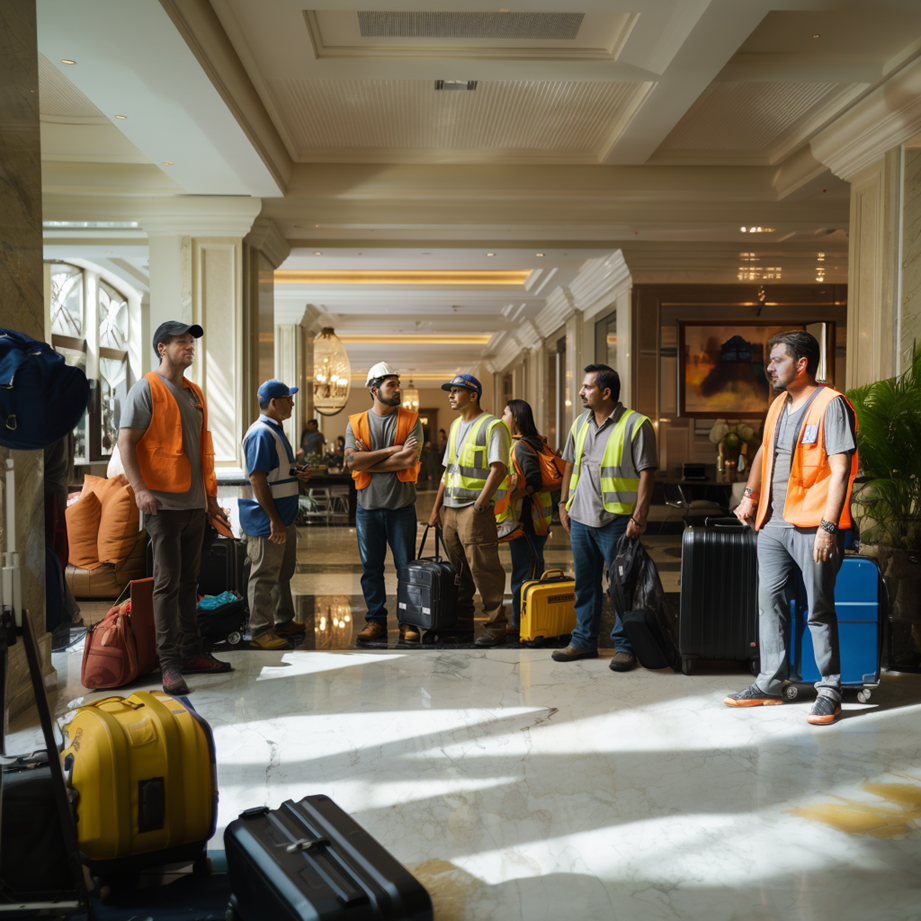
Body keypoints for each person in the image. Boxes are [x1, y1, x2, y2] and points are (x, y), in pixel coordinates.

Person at [725, 331, 858, 725]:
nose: (769, 367)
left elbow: (840, 470)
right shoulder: (779, 404)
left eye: (777, 360)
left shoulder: (830, 405)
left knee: (818, 607)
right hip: (772, 522)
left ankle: (830, 690)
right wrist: (750, 495)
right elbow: (766, 450)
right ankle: (769, 683)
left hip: (813, 524)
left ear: (801, 364)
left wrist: (829, 527)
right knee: (770, 603)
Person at [118, 321, 233, 696]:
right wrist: (139, 491)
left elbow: (202, 453)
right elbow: (126, 443)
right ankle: (169, 664)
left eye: (191, 341)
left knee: (189, 584)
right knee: (166, 586)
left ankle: (191, 652)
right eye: (181, 341)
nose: (190, 346)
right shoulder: (146, 389)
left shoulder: (194, 393)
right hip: (161, 506)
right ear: (161, 348)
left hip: (194, 505)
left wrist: (211, 501)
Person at [555, 364, 657, 667]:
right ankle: (583, 641)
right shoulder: (580, 423)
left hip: (617, 522)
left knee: (621, 585)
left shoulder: (636, 424)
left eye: (587, 387)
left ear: (606, 392)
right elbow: (570, 465)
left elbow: (647, 473)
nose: (582, 392)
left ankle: (625, 646)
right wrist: (563, 504)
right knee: (584, 584)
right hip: (581, 519)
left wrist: (639, 516)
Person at [428, 374, 512, 646]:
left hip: (474, 511)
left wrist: (480, 505)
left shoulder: (493, 426)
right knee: (459, 570)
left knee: (483, 568)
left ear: (473, 395)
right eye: (449, 391)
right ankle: (463, 619)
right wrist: (436, 508)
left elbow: (498, 469)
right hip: (450, 510)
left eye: (456, 391)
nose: (451, 395)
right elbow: (447, 471)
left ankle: (496, 625)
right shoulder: (454, 426)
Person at [346, 362, 423, 644]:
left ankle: (408, 622)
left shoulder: (411, 419)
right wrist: (392, 449)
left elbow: (409, 459)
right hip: (367, 508)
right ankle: (375, 621)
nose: (398, 389)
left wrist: (370, 460)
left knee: (407, 569)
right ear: (374, 390)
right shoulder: (356, 422)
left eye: (397, 384)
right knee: (371, 569)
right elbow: (351, 461)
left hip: (401, 507)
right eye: (391, 385)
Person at [240, 379, 311, 650]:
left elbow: (275, 472)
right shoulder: (261, 433)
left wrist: (298, 471)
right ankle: (259, 630)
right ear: (274, 403)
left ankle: (283, 620)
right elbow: (258, 479)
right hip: (268, 520)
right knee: (264, 574)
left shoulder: (275, 430)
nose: (292, 402)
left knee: (282, 572)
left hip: (283, 517)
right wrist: (274, 520)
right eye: (288, 398)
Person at [502, 400, 553, 641]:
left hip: (526, 519)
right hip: (536, 518)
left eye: (505, 413)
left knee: (524, 571)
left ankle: (519, 622)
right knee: (532, 568)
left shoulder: (521, 446)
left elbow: (534, 482)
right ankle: (533, 617)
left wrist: (510, 497)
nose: (502, 417)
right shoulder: (535, 442)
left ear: (516, 418)